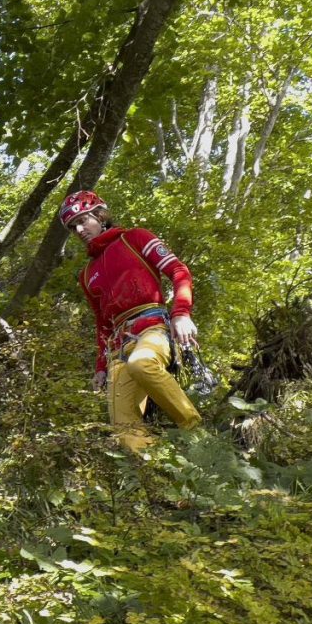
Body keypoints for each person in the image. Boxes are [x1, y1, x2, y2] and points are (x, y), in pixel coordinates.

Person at [60, 191, 202, 451]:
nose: (79, 230)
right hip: (117, 346)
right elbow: (102, 323)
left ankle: (198, 437)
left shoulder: (135, 238)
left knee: (142, 363)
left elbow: (178, 271)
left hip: (153, 328)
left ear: (101, 216)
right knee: (124, 430)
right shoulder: (87, 274)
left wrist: (181, 312)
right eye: (73, 226)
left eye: (83, 220)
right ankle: (154, 477)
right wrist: (101, 366)